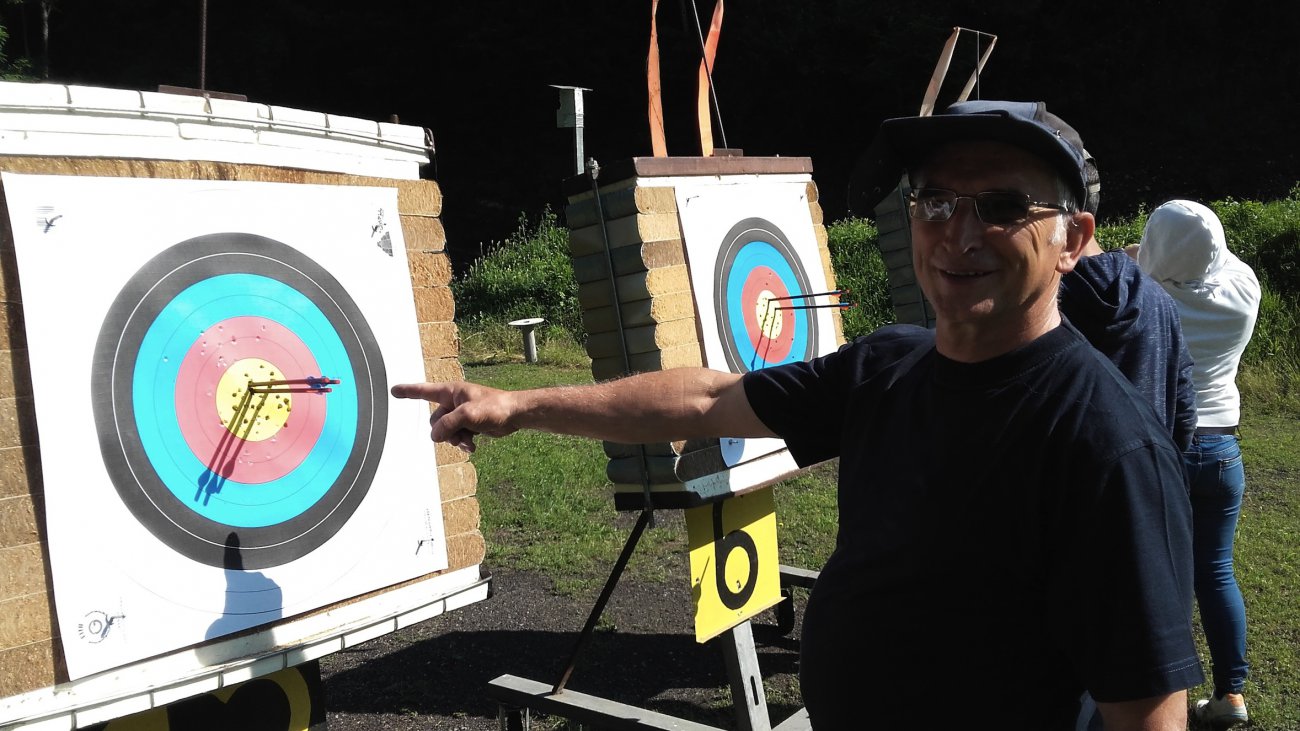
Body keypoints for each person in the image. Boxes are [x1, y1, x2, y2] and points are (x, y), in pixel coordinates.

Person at [393, 101, 1204, 729]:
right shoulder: (892, 364)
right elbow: (710, 398)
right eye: (933, 200)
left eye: (1000, 205)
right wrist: (516, 403)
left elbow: (1150, 711)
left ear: (1073, 239)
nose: (958, 232)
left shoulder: (1106, 444)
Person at [1134, 199, 1261, 727]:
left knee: (1158, 575)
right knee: (1217, 572)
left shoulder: (1145, 300)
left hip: (1167, 449)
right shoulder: (1243, 288)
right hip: (1223, 450)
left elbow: (1129, 273)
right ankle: (1231, 693)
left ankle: (1160, 694)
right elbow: (1201, 258)